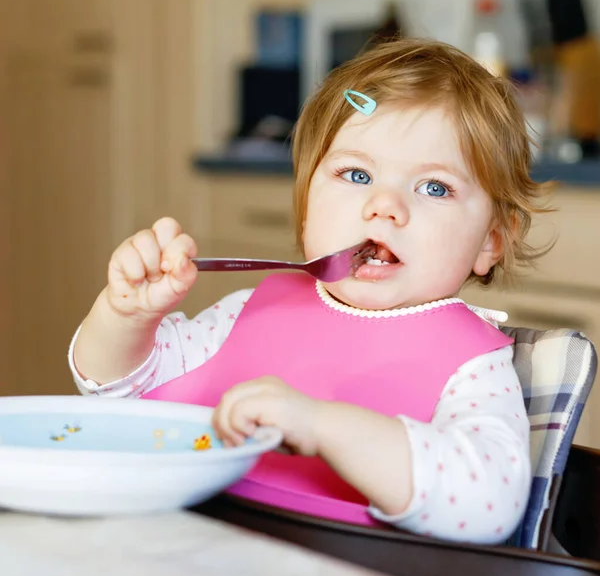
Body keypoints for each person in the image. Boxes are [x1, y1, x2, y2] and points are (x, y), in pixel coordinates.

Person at [69, 38, 553, 544]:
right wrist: (126, 319)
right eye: (357, 174)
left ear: (490, 242)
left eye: (434, 187)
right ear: (305, 208)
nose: (384, 206)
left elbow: (489, 507)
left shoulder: (473, 365)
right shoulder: (249, 312)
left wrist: (321, 425)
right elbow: (116, 389)